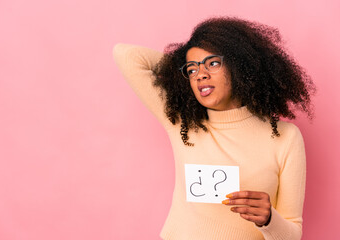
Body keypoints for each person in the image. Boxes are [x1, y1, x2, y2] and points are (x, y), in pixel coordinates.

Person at [113, 17, 315, 240]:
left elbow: (292, 234)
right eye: (191, 69)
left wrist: (268, 220)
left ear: (239, 66)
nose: (200, 74)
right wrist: (178, 72)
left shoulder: (285, 137)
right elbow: (125, 55)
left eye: (213, 63)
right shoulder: (182, 122)